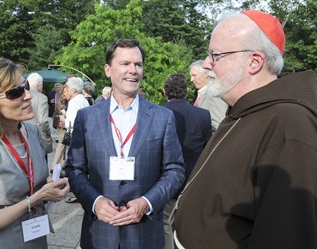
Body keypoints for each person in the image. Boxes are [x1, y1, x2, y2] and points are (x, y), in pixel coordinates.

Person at [174, 10, 317, 249]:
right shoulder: (243, 110)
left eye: (215, 55)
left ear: (254, 62)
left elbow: (288, 235)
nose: (207, 64)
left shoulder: (288, 125)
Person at [65, 38, 185, 249]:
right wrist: (95, 202)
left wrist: (147, 203)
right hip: (100, 232)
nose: (133, 70)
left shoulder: (162, 117)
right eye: (125, 64)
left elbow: (175, 170)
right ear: (108, 70)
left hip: (144, 233)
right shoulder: (86, 117)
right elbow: (74, 169)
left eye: (138, 65)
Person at [0, 58, 69, 249]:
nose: (28, 95)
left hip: (36, 240)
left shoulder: (31, 132)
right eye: (15, 92)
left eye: (24, 86)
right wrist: (37, 198)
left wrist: (50, 183)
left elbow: (32, 179)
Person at [162, 72, 212, 249]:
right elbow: (208, 149)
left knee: (164, 223)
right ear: (186, 90)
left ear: (164, 91)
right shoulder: (203, 115)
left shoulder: (160, 114)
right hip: (193, 179)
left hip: (167, 180)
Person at [190, 60, 228, 132]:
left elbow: (219, 124)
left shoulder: (214, 94)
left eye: (194, 75)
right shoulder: (200, 94)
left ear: (206, 74)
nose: (191, 80)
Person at [26, 72, 53, 163]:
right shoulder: (41, 98)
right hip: (39, 139)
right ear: (39, 84)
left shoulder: (21, 96)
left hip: (22, 138)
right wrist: (48, 134)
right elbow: (43, 121)